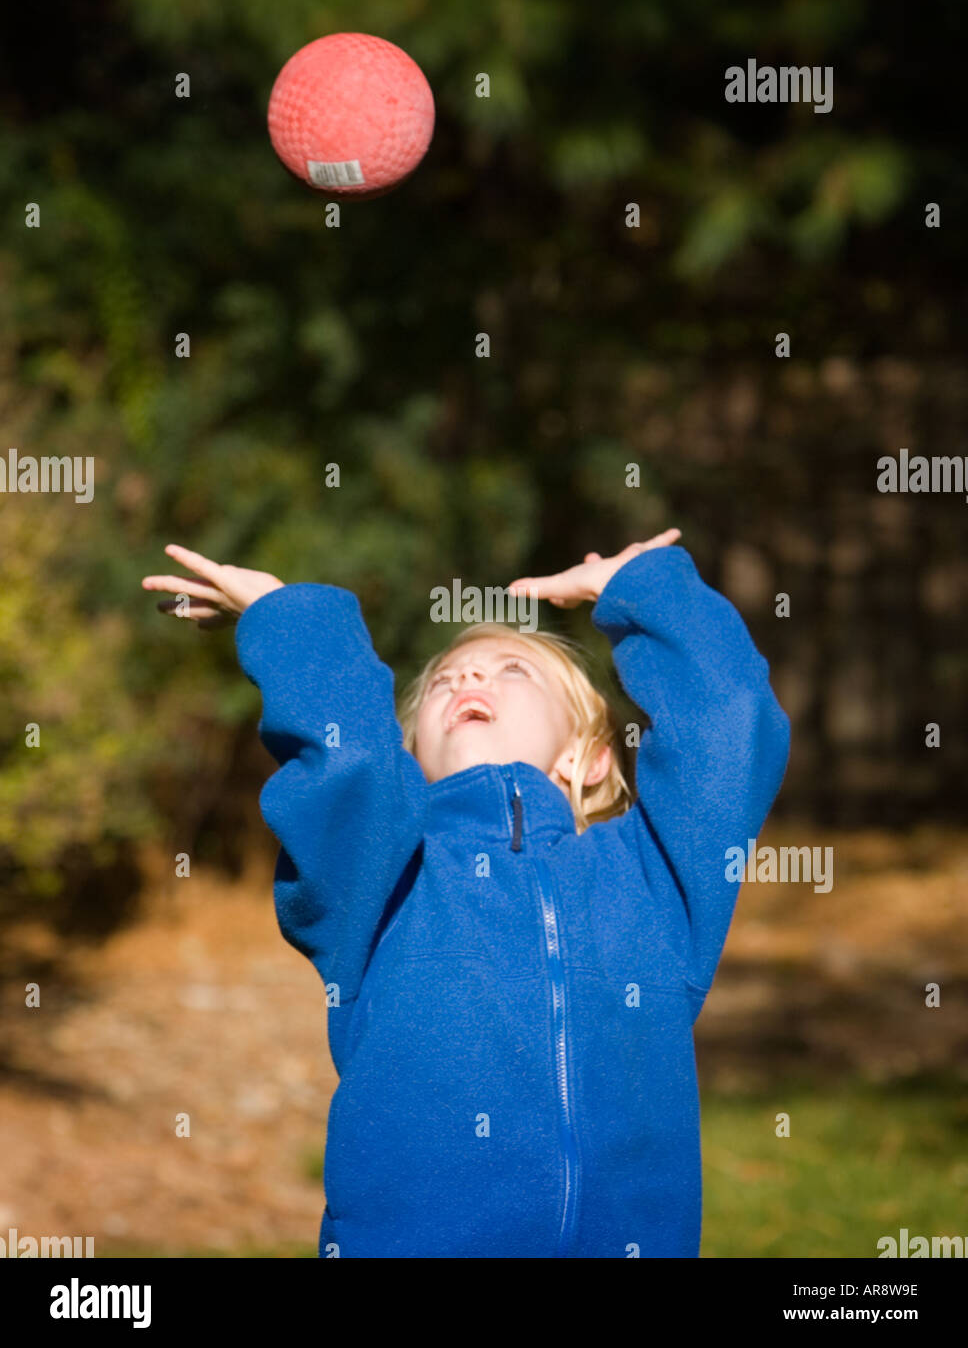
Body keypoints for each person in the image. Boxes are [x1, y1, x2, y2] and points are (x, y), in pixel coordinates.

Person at [142, 528, 790, 1257]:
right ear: (411, 757)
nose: (466, 682)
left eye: (512, 669)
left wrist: (645, 591)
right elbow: (348, 759)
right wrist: (289, 615)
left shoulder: (649, 881)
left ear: (590, 756)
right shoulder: (386, 881)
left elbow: (730, 723)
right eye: (444, 681)